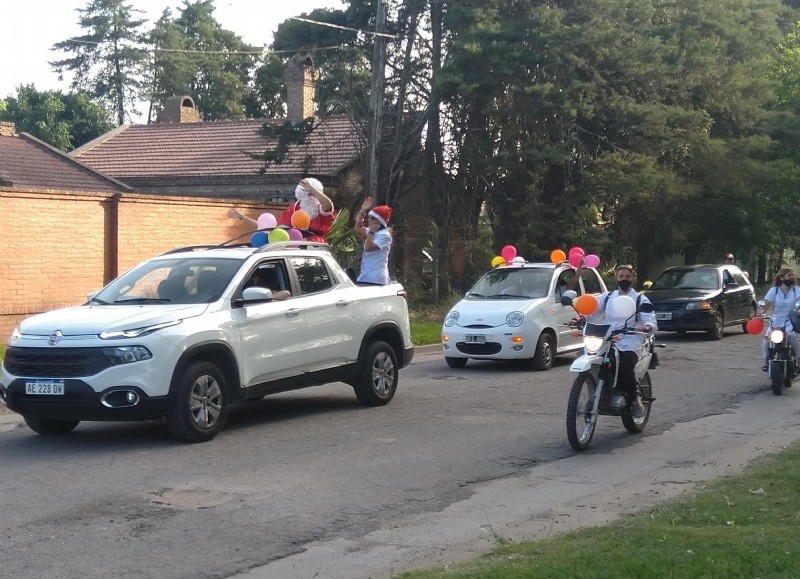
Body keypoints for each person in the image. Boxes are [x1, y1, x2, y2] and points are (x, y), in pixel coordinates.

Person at [575, 264, 657, 418]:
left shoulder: (640, 299)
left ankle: (634, 399)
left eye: (627, 277)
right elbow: (592, 311)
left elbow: (650, 320)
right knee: (585, 355)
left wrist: (646, 327)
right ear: (616, 278)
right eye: (621, 277)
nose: (624, 279)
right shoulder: (607, 297)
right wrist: (580, 318)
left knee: (626, 363)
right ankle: (599, 389)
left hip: (631, 339)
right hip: (608, 338)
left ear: (632, 278)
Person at [228, 177, 335, 242]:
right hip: (293, 251)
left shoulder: (320, 208)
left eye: (311, 194)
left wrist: (313, 190)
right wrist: (242, 217)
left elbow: (328, 205)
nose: (308, 197)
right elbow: (272, 229)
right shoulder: (293, 210)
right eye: (305, 194)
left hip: (314, 250)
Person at [760, 267, 800, 372]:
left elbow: (799, 302)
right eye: (789, 275)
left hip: (790, 319)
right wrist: (761, 312)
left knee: (791, 335)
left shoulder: (796, 290)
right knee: (766, 339)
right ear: (782, 277)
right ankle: (765, 362)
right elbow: (766, 303)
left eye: (792, 275)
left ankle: (799, 359)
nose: (791, 277)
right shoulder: (775, 290)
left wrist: (798, 310)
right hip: (776, 320)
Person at [353, 197, 392, 285]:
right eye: (369, 216)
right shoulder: (375, 231)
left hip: (375, 278)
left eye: (373, 218)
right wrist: (363, 211)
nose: (369, 219)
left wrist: (371, 232)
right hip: (366, 275)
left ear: (380, 221)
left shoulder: (385, 235)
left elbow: (368, 248)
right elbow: (357, 228)